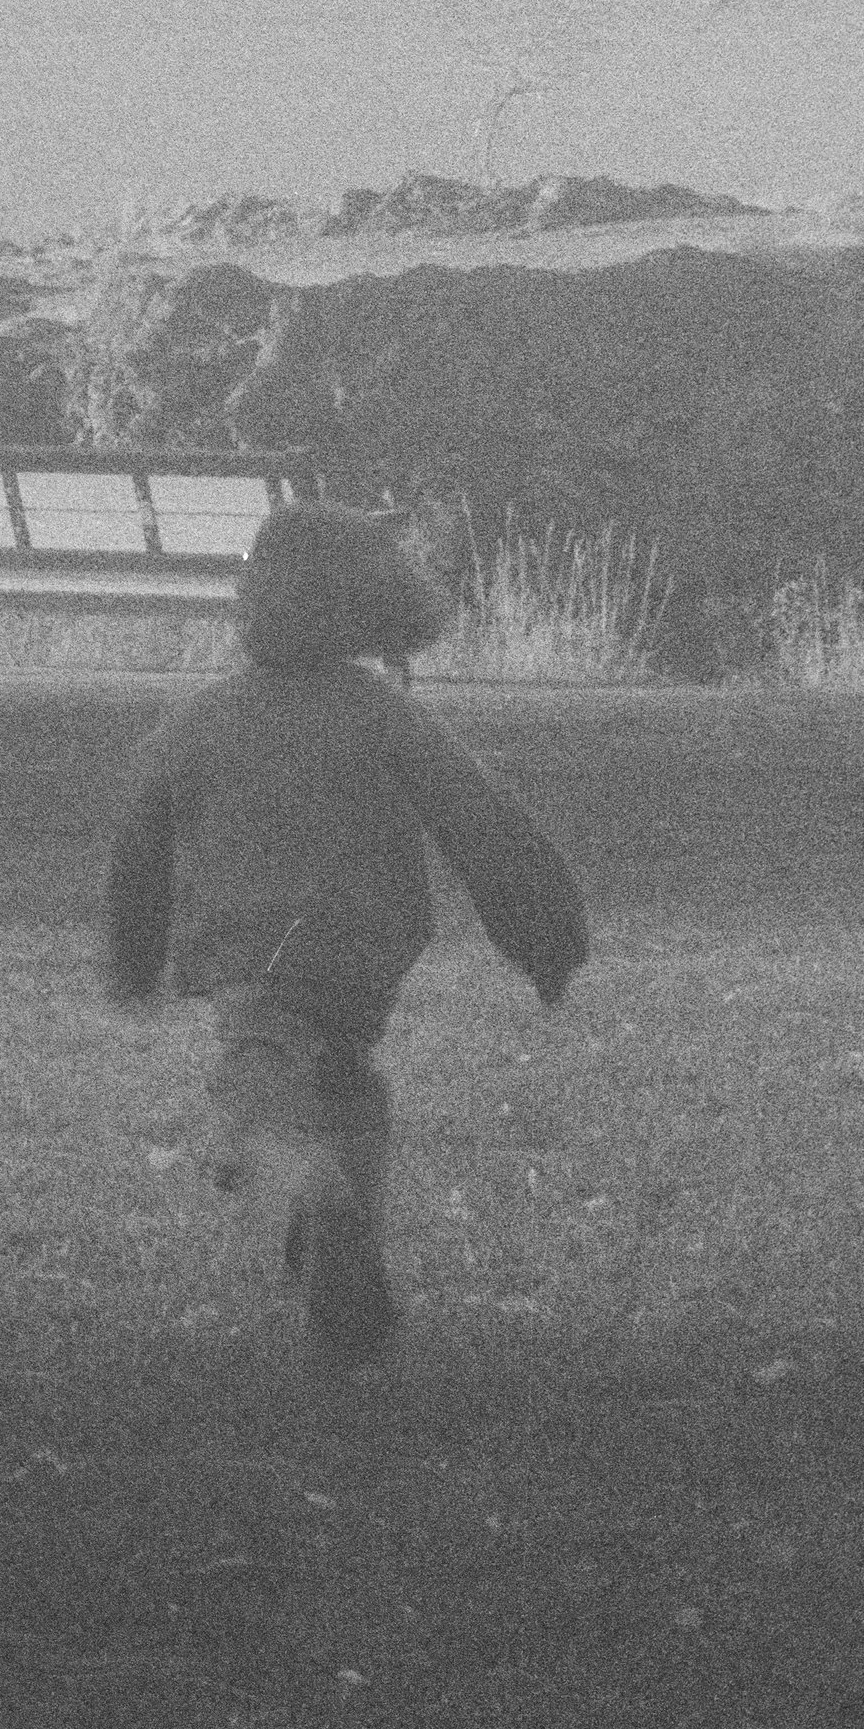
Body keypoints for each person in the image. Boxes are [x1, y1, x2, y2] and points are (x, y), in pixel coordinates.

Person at [100, 498, 589, 1361]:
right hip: (364, 953)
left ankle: (312, 1202)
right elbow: (479, 822)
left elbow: (139, 846)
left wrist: (135, 958)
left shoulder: (199, 722)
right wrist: (546, 933)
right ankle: (347, 1293)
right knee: (348, 1085)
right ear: (372, 602)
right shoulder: (382, 713)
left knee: (259, 1102)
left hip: (254, 952)